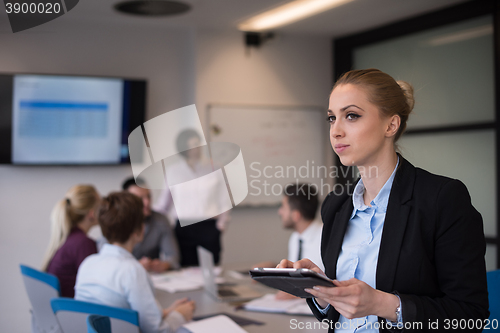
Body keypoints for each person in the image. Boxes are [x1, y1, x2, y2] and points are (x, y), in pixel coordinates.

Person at [277, 68, 489, 332]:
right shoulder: (336, 205)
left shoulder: (442, 199)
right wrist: (322, 291)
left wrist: (382, 304)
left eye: (351, 116)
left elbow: (471, 317)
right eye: (332, 118)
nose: (336, 131)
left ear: (391, 124)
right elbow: (339, 319)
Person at [75, 191, 195, 333]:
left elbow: (117, 312)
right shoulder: (132, 270)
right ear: (139, 231)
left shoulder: (88, 263)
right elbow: (157, 331)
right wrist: (180, 315)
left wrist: (167, 312)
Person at [154, 129, 229, 266]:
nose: (196, 148)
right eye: (191, 145)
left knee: (212, 269)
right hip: (183, 229)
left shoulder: (215, 167)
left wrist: (221, 226)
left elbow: (225, 200)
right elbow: (163, 203)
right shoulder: (174, 171)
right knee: (184, 268)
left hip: (208, 227)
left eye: (197, 143)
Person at [41, 185, 100, 298]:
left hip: (64, 311)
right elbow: (96, 289)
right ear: (92, 213)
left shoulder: (69, 238)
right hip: (75, 311)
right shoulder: (84, 244)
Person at [122, 176, 180, 272]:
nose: (147, 202)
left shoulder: (160, 220)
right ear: (126, 201)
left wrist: (164, 265)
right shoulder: (116, 221)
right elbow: (107, 259)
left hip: (153, 277)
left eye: (148, 196)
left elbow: (173, 256)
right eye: (140, 199)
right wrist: (135, 265)